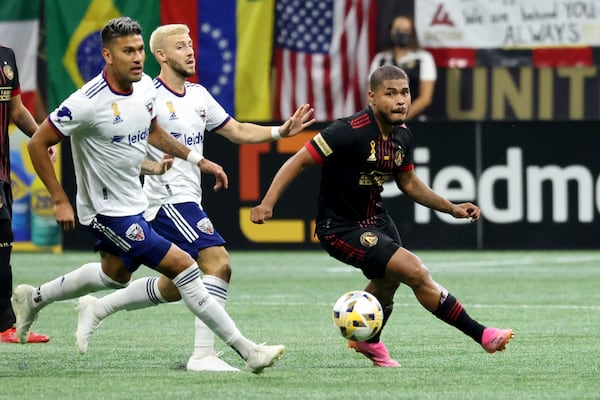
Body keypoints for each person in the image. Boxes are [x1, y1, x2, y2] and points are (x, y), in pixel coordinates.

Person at [12, 16, 284, 374]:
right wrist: (60, 199)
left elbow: (152, 133)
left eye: (139, 49)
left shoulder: (144, 90)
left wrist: (195, 160)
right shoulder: (86, 102)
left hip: (134, 204)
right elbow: (37, 143)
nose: (137, 57)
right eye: (128, 51)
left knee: (114, 275)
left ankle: (34, 298)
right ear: (108, 56)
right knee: (188, 266)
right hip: (105, 212)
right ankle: (243, 352)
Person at [73, 23, 315, 372]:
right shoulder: (144, 94)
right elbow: (121, 141)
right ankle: (204, 355)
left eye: (191, 45)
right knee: (218, 262)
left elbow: (236, 130)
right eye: (181, 46)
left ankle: (99, 307)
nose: (190, 51)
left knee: (176, 285)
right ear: (161, 55)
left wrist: (280, 131)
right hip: (164, 200)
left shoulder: (199, 95)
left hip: (187, 199)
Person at [250, 65, 513, 367]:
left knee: (388, 283)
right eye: (391, 93)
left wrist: (450, 207)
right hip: (339, 228)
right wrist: (267, 203)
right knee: (415, 271)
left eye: (404, 93)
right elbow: (297, 161)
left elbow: (409, 183)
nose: (400, 100)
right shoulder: (347, 131)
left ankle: (367, 342)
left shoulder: (402, 136)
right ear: (372, 97)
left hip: (377, 220)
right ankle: (483, 335)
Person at [0, 44, 52, 344]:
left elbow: (17, 110)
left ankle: (5, 325)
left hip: (2, 172)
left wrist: (41, 138)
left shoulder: (6, 57)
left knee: (3, 245)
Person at [369, 15, 436, 121]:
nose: (401, 33)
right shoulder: (381, 59)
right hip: (384, 121)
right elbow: (371, 94)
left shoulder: (423, 59)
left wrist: (401, 117)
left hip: (415, 121)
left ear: (412, 33)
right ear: (390, 32)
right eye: (397, 29)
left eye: (405, 30)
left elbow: (425, 98)